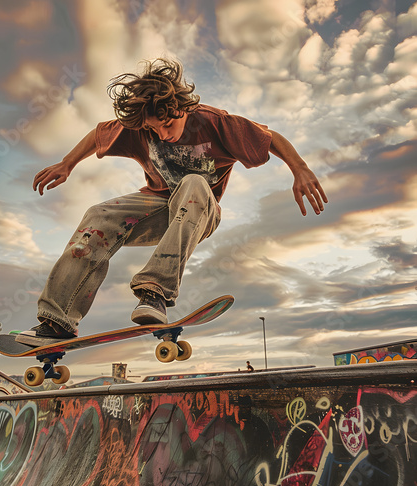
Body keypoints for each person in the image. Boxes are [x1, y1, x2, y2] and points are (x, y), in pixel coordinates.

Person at [16, 58, 328, 345]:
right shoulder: (138, 127)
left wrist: (300, 169)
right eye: (153, 129)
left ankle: (155, 292)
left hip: (199, 211)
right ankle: (58, 322)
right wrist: (67, 164)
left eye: (168, 125)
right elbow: (97, 135)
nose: (162, 134)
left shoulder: (214, 122)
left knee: (194, 183)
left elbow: (269, 138)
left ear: (182, 108)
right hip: (156, 209)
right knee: (98, 215)